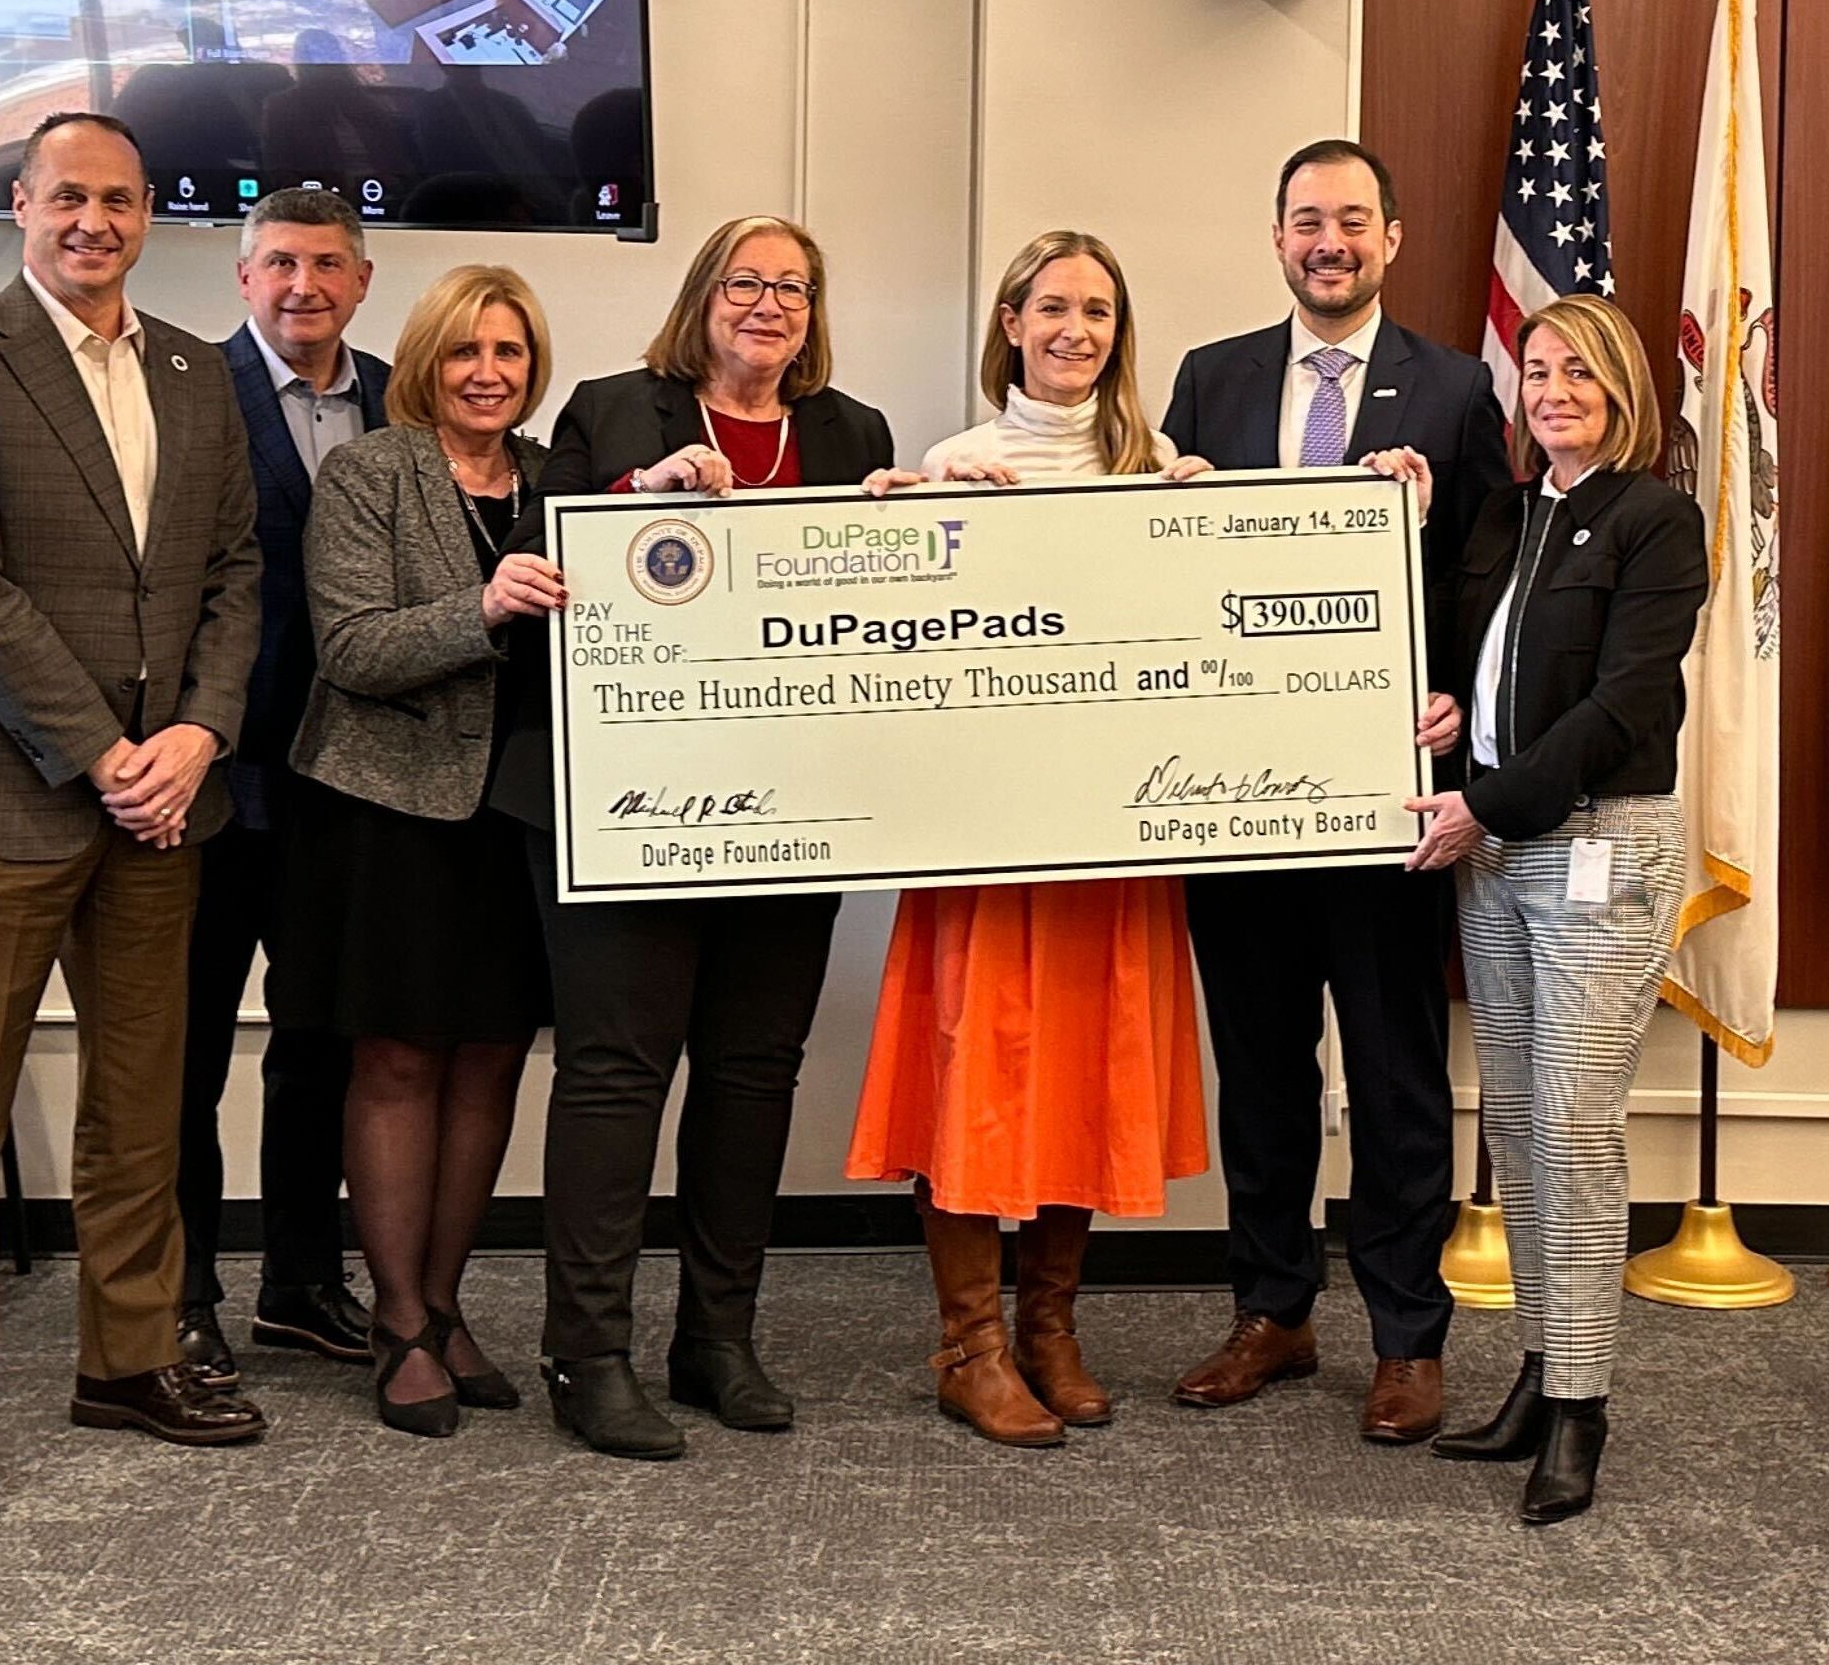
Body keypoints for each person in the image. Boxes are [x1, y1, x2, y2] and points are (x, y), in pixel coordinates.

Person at [0, 112, 265, 1515]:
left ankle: (129, 1357)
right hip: (1, 794)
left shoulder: (191, 370)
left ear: (149, 213)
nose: (92, 221)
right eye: (66, 198)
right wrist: (107, 752)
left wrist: (200, 736)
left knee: (139, 1103)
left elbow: (232, 569)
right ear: (21, 204)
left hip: (163, 801)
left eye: (117, 199)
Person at [497, 215, 896, 1461]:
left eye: (792, 285)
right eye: (744, 280)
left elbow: (872, 609)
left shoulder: (852, 434)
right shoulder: (613, 411)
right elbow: (530, 565)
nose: (767, 303)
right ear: (700, 295)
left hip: (789, 809)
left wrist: (910, 532)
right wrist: (635, 501)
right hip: (628, 805)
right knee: (616, 1074)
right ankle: (589, 1349)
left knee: (749, 1075)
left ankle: (717, 1335)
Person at [1162, 139, 1509, 1446]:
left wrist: (1462, 718)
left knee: (1392, 1072)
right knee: (1256, 1070)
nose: (1328, 241)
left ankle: (1407, 1339)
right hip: (1235, 798)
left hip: (1381, 802)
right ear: (1273, 238)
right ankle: (1271, 1311)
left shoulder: (1455, 389)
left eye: (1351, 221)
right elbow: (1169, 582)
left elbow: (1483, 590)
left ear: (1391, 240)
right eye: (1306, 220)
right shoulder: (1209, 380)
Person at [844, 232, 1214, 1447]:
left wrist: (1216, 530)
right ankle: (971, 1344)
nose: (1075, 330)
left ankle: (1051, 1329)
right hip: (988, 847)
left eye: (1098, 310)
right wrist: (901, 529)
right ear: (1009, 321)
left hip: (1109, 843)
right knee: (975, 1072)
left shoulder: (1159, 468)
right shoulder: (952, 464)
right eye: (1052, 306)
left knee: (1082, 1072)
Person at [1408, 295, 1707, 1524]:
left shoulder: (1655, 519)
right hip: (1495, 856)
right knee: (1521, 1128)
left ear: (1621, 385)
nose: (1553, 389)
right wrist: (1441, 712)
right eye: (1536, 370)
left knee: (1575, 1128)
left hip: (1598, 847)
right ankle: (1537, 1370)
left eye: (1579, 370)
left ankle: (1580, 1405)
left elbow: (1620, 708)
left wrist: (1483, 800)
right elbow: (1478, 662)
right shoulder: (1506, 512)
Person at [280, 266, 561, 1438]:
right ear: (425, 365)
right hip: (385, 811)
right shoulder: (368, 472)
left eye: (508, 351)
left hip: (521, 816)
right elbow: (349, 648)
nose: (487, 373)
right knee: (396, 1062)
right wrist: (486, 607)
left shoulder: (556, 479)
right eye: (463, 353)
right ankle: (395, 1319)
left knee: (493, 1058)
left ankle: (447, 1306)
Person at [173, 189, 387, 1392]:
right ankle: (182, 1291)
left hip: (351, 785)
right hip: (208, 778)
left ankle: (301, 1281)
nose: (302, 285)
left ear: (362, 282)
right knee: (185, 1056)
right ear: (244, 280)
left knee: (323, 1047)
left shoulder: (411, 394)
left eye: (325, 264)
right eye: (278, 264)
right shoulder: (178, 386)